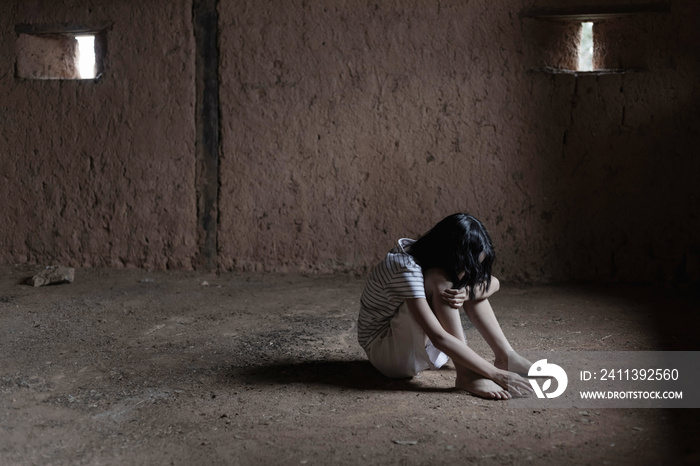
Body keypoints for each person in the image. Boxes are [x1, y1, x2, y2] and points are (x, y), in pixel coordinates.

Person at [358, 213, 534, 399]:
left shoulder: (430, 253)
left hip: (410, 345)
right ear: (450, 254)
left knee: (471, 287)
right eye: (464, 266)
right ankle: (466, 374)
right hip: (387, 352)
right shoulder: (406, 268)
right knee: (441, 283)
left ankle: (506, 356)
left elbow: (493, 282)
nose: (466, 272)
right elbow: (438, 337)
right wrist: (495, 374)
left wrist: (468, 292)